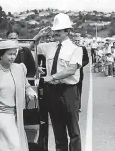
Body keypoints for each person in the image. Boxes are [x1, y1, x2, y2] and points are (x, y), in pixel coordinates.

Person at [33, 13, 82, 151]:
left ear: (67, 31)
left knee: (74, 131)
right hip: (52, 92)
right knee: (58, 130)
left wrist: (52, 77)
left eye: (59, 30)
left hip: (68, 91)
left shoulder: (75, 49)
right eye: (55, 30)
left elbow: (71, 70)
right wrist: (38, 36)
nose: (56, 33)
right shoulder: (48, 46)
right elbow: (31, 47)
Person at [0, 40, 37, 151]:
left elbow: (26, 85)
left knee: (16, 145)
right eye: (9, 54)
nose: (12, 57)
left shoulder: (19, 68)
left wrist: (29, 91)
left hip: (15, 115)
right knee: (4, 146)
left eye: (14, 53)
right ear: (1, 54)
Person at [73, 36, 89, 112]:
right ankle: (72, 105)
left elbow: (87, 60)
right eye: (75, 40)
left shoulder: (83, 48)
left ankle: (78, 106)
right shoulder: (70, 49)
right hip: (71, 72)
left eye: (78, 40)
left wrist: (80, 65)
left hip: (79, 72)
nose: (77, 42)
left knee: (79, 89)